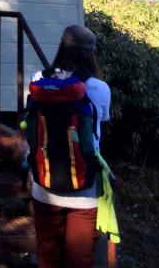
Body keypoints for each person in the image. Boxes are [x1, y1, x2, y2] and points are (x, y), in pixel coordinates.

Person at [30, 25, 111, 268]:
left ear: (62, 48)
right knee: (79, 260)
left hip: (44, 184)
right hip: (84, 190)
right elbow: (98, 130)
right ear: (90, 54)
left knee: (47, 256)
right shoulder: (100, 88)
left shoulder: (38, 80)